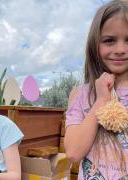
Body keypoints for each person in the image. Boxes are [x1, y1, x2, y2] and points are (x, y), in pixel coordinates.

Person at [64, 0, 128, 179]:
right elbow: (74, 153)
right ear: (95, 44)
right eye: (109, 41)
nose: (120, 49)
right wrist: (101, 100)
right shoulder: (80, 94)